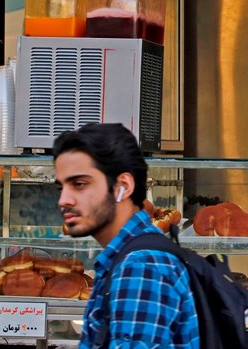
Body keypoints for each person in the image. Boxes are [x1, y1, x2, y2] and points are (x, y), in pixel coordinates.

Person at [54, 122, 199, 348]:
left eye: (80, 184)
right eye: (61, 187)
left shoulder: (140, 267)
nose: (64, 200)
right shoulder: (128, 257)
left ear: (123, 186)